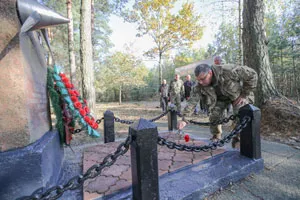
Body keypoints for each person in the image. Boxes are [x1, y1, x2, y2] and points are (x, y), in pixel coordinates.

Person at [177, 63, 257, 146]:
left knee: (241, 114)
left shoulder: (228, 70)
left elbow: (252, 74)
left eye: (203, 79)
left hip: (238, 96)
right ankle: (216, 136)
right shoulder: (199, 85)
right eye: (198, 80)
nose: (200, 82)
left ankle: (238, 140)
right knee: (214, 115)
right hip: (220, 99)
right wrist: (184, 119)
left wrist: (244, 94)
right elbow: (192, 101)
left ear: (210, 73)